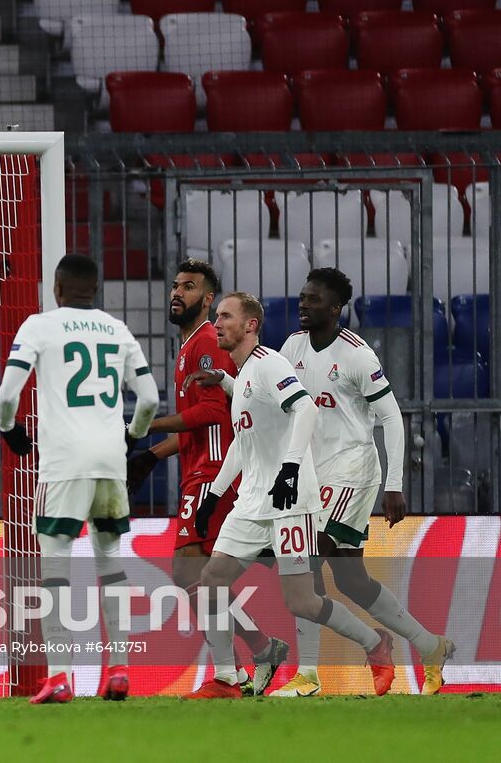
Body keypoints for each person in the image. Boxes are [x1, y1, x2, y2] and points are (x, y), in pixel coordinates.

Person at [184, 292, 395, 699]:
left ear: (250, 325)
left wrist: (291, 469)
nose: (216, 324)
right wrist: (215, 494)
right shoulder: (242, 373)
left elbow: (307, 411)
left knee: (302, 601)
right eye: (215, 317)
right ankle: (228, 678)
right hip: (251, 502)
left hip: (290, 502)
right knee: (210, 582)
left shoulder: (269, 364)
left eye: (225, 316)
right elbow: (245, 442)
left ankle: (375, 644)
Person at [276, 268, 453, 697]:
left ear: (336, 309)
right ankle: (430, 646)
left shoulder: (357, 355)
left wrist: (395, 483)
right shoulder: (291, 347)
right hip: (312, 474)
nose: (303, 304)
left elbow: (391, 417)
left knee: (308, 558)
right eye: (302, 297)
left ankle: (309, 675)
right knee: (352, 579)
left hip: (352, 471)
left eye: (313, 299)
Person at [0, 253, 160, 703]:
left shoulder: (39, 326)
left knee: (55, 568)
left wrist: (10, 429)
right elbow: (148, 398)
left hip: (63, 463)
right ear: (97, 288)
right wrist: (130, 438)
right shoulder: (117, 330)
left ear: (57, 288)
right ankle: (121, 669)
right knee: (112, 565)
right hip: (109, 462)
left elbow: (7, 393)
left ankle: (61, 676)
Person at [127, 259, 286, 695]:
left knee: (188, 572)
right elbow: (203, 424)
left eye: (190, 287)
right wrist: (155, 455)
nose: (177, 292)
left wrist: (146, 429)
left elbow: (215, 414)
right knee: (200, 578)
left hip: (214, 473)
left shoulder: (206, 345)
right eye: (175, 285)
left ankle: (233, 670)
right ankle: (245, 662)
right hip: (202, 469)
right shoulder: (190, 346)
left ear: (209, 298)